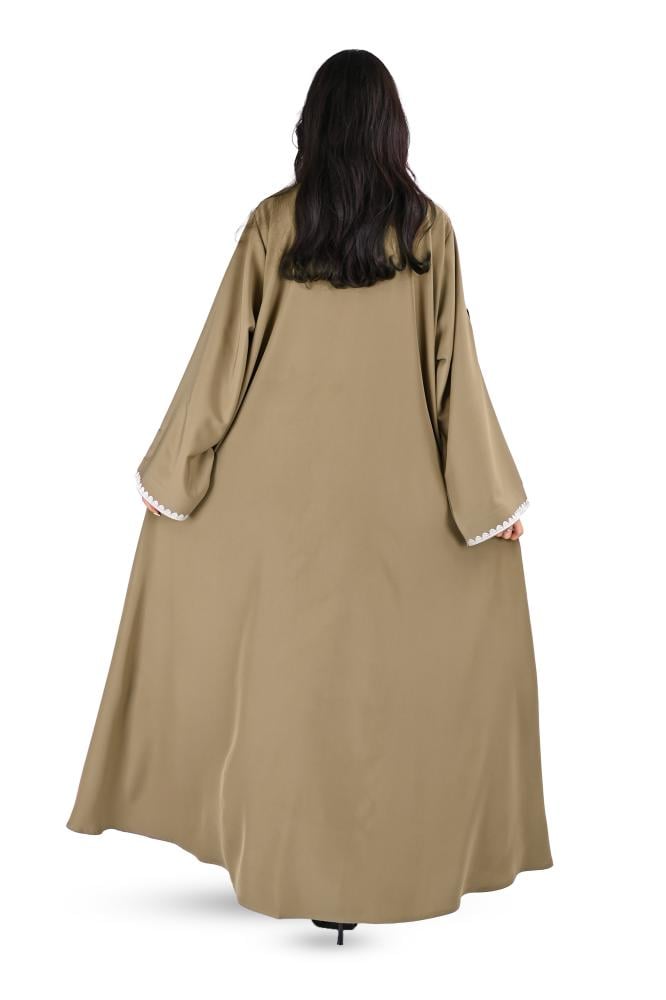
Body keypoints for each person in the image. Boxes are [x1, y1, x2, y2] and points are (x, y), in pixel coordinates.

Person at [66, 48, 553, 944]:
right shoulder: (430, 233)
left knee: (279, 686)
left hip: (273, 509)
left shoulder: (275, 224)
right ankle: (364, 864)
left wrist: (173, 476)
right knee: (377, 685)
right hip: (398, 506)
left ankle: (285, 856)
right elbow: (455, 377)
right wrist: (490, 506)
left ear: (314, 125)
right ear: (391, 129)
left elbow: (222, 361)